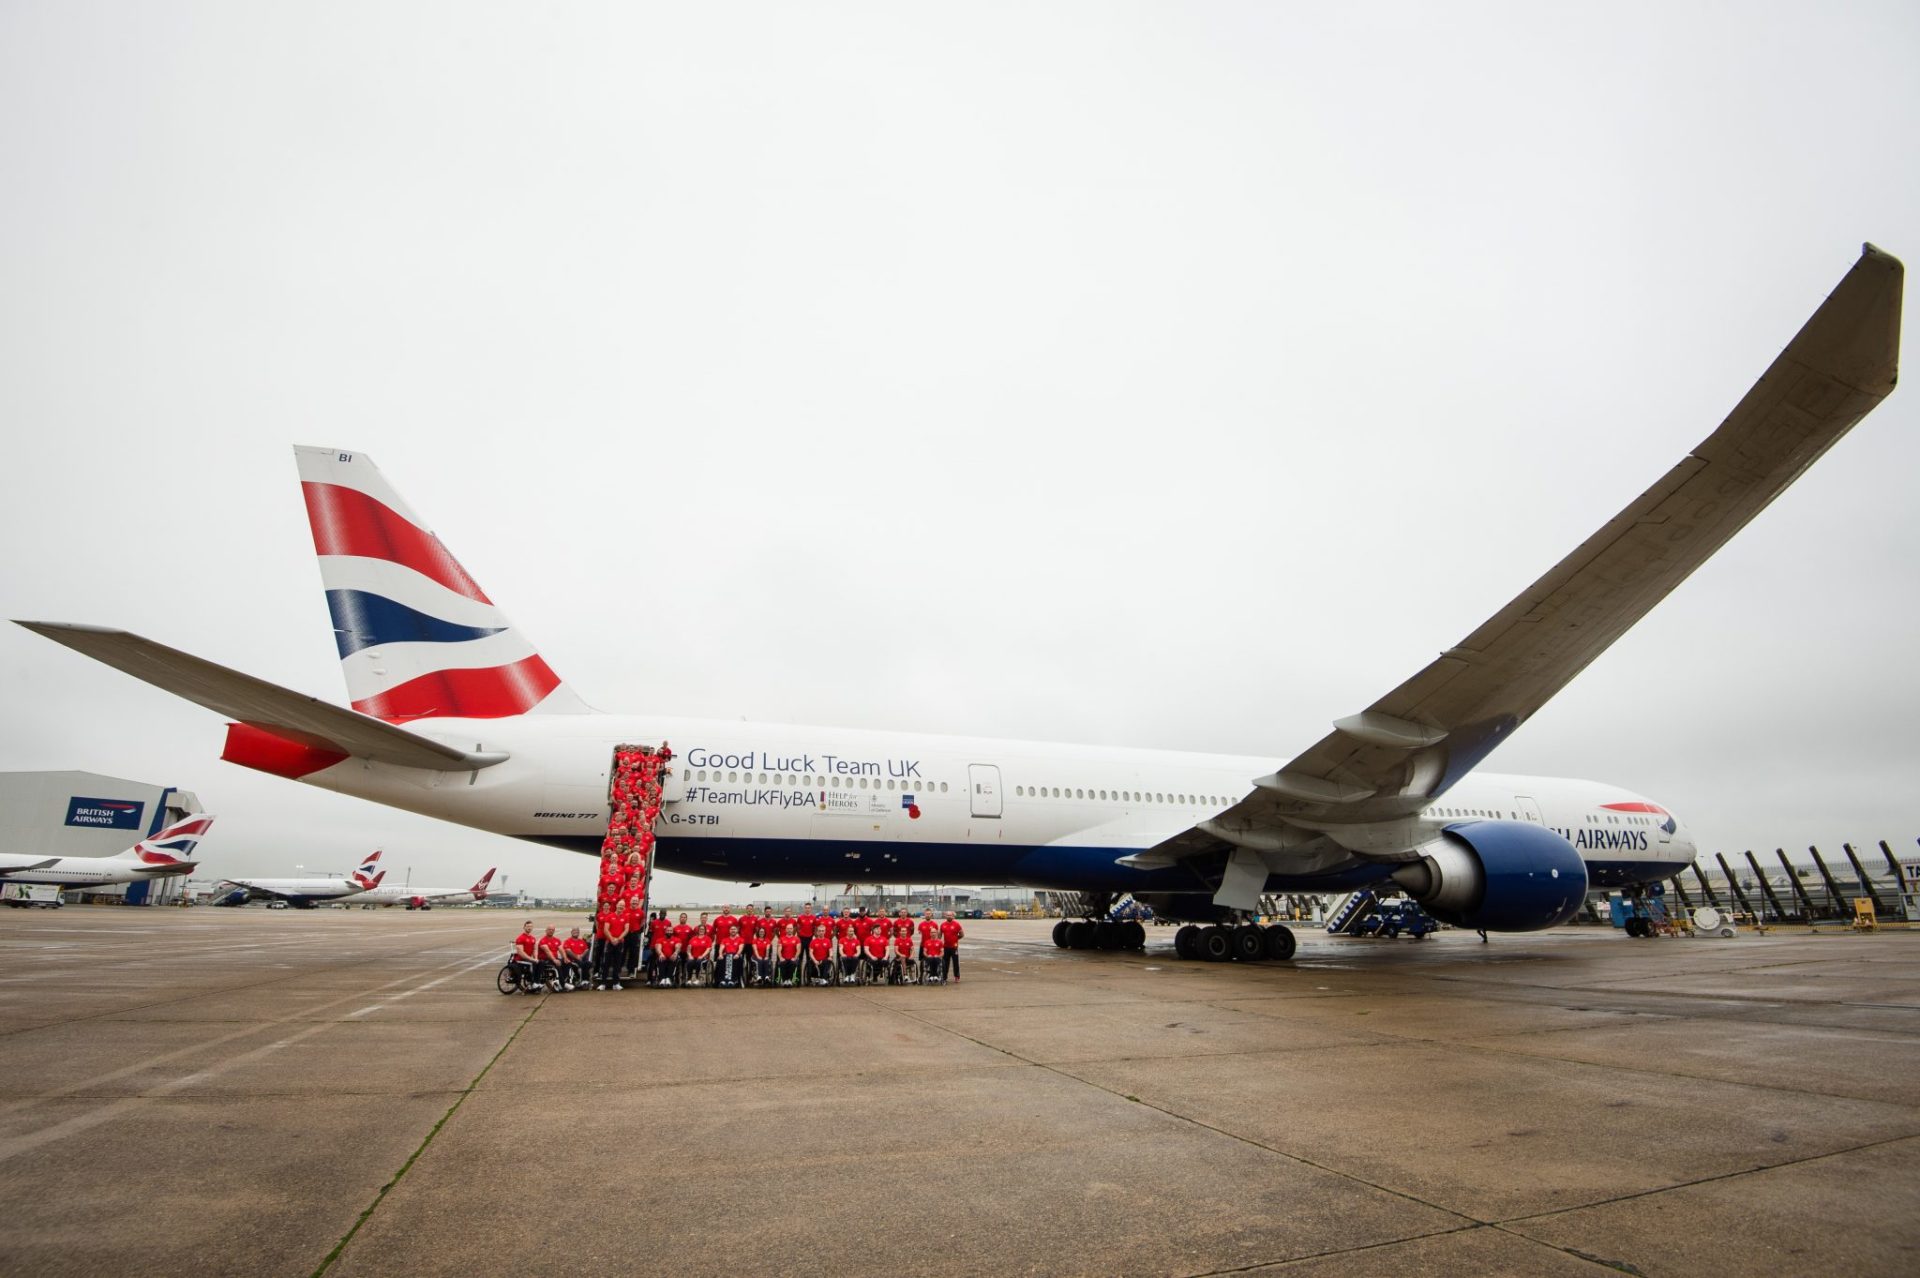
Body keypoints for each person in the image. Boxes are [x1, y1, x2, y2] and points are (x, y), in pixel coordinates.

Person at [597, 906, 629, 990]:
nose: (620, 908)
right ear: (616, 907)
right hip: (610, 942)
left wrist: (618, 939)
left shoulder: (625, 917)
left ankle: (616, 983)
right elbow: (606, 929)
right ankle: (603, 984)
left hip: (619, 943)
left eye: (622, 907)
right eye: (619, 907)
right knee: (606, 963)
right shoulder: (609, 916)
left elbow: (626, 930)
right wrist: (612, 939)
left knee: (617, 963)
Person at [510, 921, 539, 986]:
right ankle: (533, 982)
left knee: (541, 963)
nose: (529, 928)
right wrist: (532, 959)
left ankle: (538, 981)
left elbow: (535, 949)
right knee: (533, 963)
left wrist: (536, 958)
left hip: (528, 959)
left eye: (531, 926)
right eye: (528, 926)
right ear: (524, 927)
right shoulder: (520, 938)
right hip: (520, 960)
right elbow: (521, 953)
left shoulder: (533, 938)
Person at [940, 911, 965, 983]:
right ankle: (944, 977)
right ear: (945, 916)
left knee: (955, 963)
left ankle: (957, 977)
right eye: (948, 915)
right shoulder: (943, 925)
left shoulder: (956, 924)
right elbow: (939, 935)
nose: (949, 916)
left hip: (954, 947)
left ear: (953, 916)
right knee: (945, 963)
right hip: (946, 947)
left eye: (950, 915)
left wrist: (956, 939)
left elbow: (962, 934)